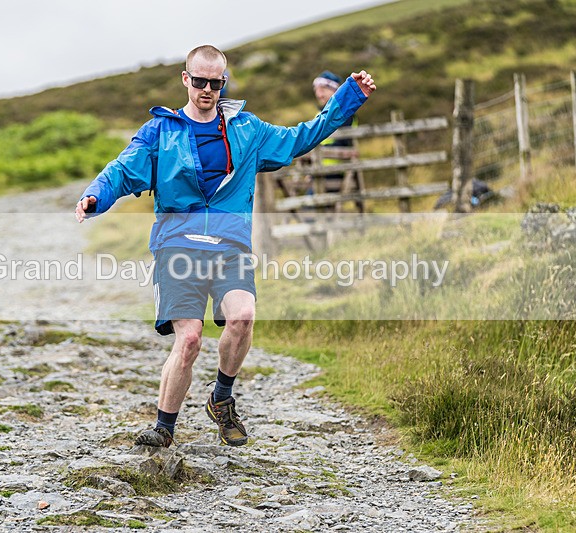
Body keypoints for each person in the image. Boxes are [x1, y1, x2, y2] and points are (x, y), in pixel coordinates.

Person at [75, 45, 375, 448]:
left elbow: (302, 137)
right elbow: (121, 170)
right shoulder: (161, 132)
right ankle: (164, 428)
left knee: (243, 317)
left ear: (224, 83)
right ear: (186, 79)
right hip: (177, 244)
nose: (207, 90)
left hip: (229, 244)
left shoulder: (247, 130)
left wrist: (347, 99)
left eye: (216, 83)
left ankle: (221, 398)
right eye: (199, 81)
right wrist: (96, 196)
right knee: (191, 338)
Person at [311, 71, 363, 208]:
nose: (319, 94)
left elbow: (343, 142)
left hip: (335, 171)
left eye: (323, 89)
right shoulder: (319, 114)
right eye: (316, 90)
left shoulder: (345, 114)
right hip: (316, 170)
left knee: (313, 208)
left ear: (335, 90)